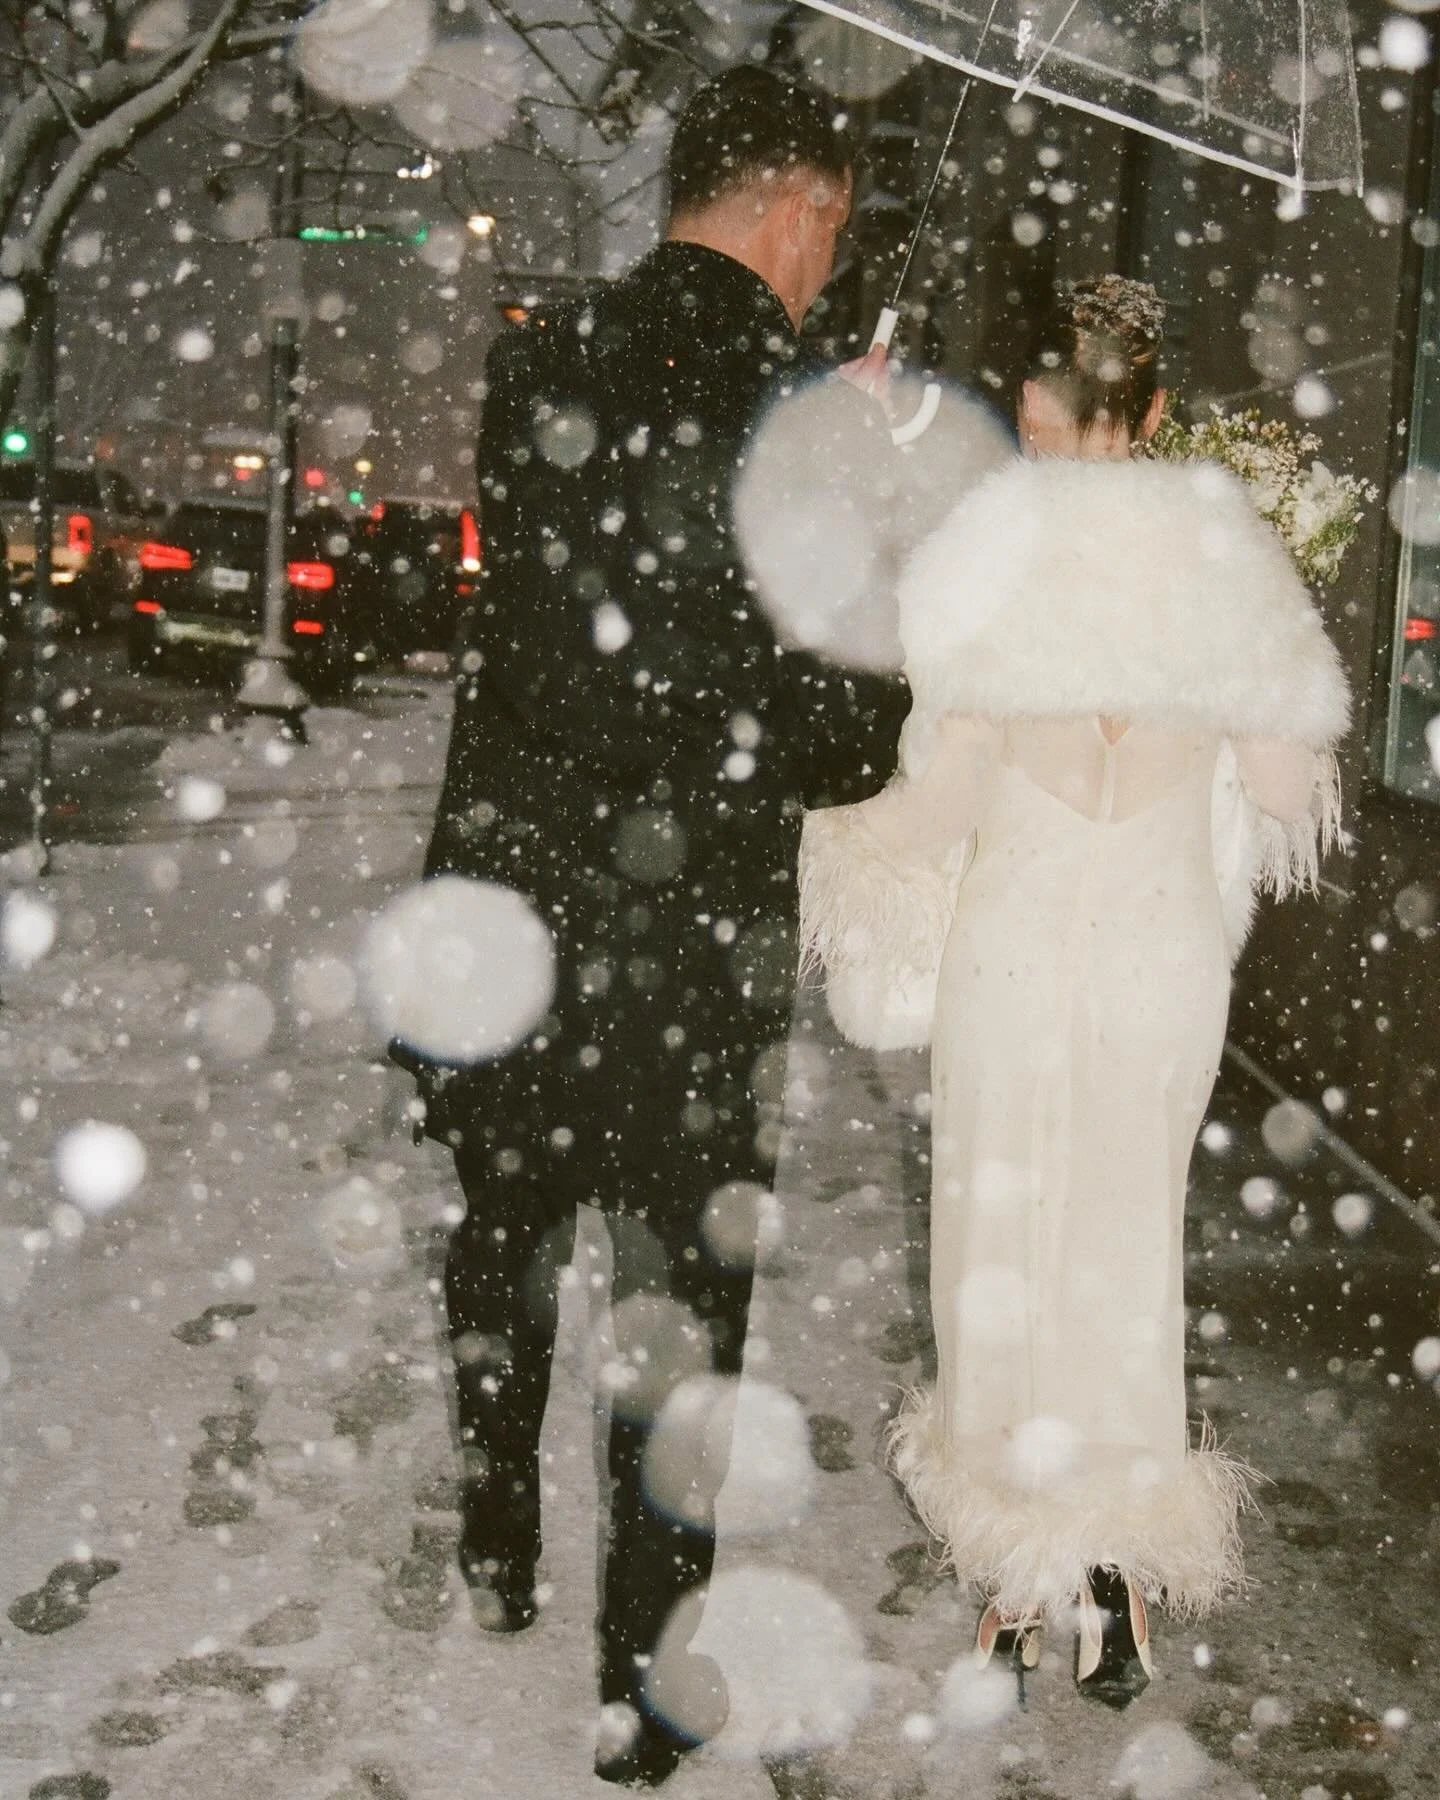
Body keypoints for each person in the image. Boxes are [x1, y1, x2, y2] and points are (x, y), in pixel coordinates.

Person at [408, 66, 907, 1788]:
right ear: (799, 207)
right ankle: (641, 1689)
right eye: (833, 230)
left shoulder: (540, 360)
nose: (830, 266)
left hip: (506, 912)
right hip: (685, 946)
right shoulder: (802, 423)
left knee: (506, 1230)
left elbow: (562, 639)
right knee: (680, 1310)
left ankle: (497, 1541)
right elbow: (843, 741)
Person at [800, 276, 1350, 1707]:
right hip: (1159, 961)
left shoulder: (989, 559)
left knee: (998, 1254)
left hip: (1019, 950)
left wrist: (817, 833)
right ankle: (1113, 1582)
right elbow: (1285, 789)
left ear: (1032, 409)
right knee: (1125, 1256)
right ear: (1154, 408)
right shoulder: (1229, 559)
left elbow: (932, 806)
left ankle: (1014, 1578)